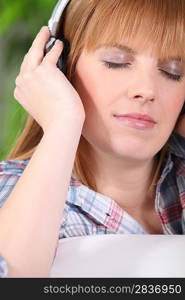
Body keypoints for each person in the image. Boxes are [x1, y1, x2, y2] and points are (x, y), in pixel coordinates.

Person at [0, 0, 185, 278]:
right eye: (116, 62)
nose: (146, 90)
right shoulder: (13, 191)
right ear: (59, 68)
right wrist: (62, 123)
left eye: (173, 72)